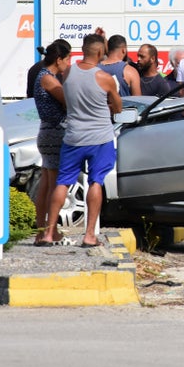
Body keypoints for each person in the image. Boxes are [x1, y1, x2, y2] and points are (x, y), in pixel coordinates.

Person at [37, 34, 122, 247]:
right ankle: (89, 235)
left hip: (73, 137)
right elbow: (118, 108)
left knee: (62, 182)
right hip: (99, 138)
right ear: (101, 53)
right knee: (95, 182)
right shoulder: (105, 78)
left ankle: (48, 233)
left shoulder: (68, 72)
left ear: (82, 50)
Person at [32, 41, 72, 246]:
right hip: (55, 132)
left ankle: (42, 231)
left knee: (47, 185)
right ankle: (50, 230)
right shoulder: (48, 78)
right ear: (59, 59)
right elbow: (68, 100)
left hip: (47, 131)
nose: (69, 63)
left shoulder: (43, 75)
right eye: (68, 59)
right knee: (54, 185)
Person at [97, 32, 141, 97]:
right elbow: (138, 101)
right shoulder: (130, 72)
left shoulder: (95, 69)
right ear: (124, 50)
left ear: (108, 49)